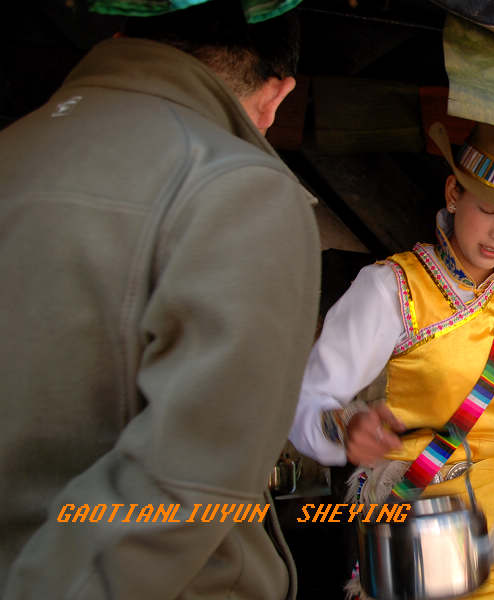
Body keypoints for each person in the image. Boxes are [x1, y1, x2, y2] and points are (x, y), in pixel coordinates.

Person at [0, 2, 320, 598]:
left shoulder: (14, 148)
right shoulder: (236, 186)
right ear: (276, 96)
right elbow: (189, 485)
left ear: (124, 34)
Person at [290, 121, 494, 599]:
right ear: (454, 192)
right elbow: (308, 401)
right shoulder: (391, 287)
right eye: (489, 209)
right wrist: (346, 433)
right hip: (415, 538)